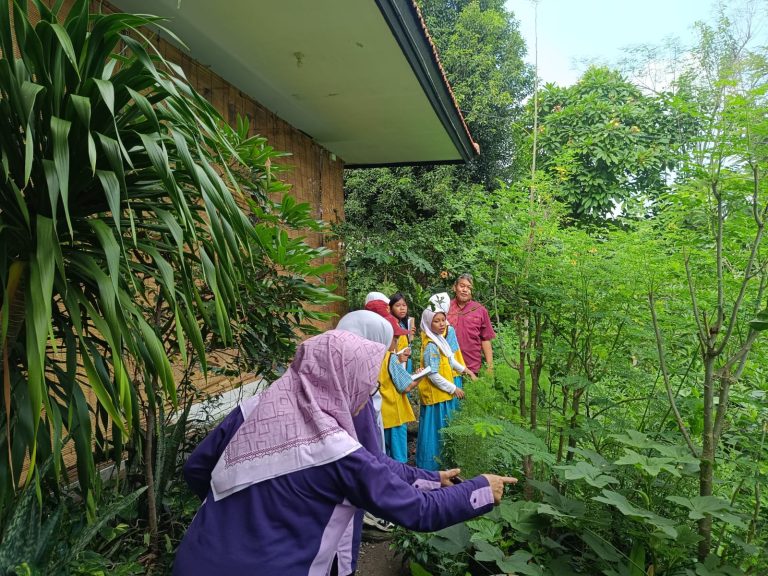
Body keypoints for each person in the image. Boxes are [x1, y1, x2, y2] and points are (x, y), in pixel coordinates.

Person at [173, 330, 517, 575]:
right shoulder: (332, 451)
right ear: (340, 379)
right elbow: (418, 512)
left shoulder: (251, 410)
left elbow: (197, 469)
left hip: (196, 557)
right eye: (365, 384)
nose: (367, 393)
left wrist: (430, 478)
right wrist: (481, 489)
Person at [416, 308, 470, 471]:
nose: (442, 324)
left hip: (443, 395)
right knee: (435, 433)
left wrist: (466, 371)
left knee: (443, 431)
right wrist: (453, 388)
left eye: (443, 320)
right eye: (436, 321)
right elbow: (433, 374)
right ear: (428, 323)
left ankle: (444, 466)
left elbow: (450, 361)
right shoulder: (431, 345)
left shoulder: (439, 340)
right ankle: (431, 468)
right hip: (436, 397)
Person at [429, 292, 475, 409]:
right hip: (448, 374)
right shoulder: (446, 329)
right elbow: (452, 353)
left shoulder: (431, 329)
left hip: (450, 369)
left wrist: (466, 371)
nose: (441, 323)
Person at [446, 273, 496, 375]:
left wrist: (490, 366)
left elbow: (485, 339)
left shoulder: (480, 310)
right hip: (447, 366)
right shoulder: (446, 307)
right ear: (454, 288)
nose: (465, 290)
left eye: (469, 287)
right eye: (462, 286)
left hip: (472, 367)